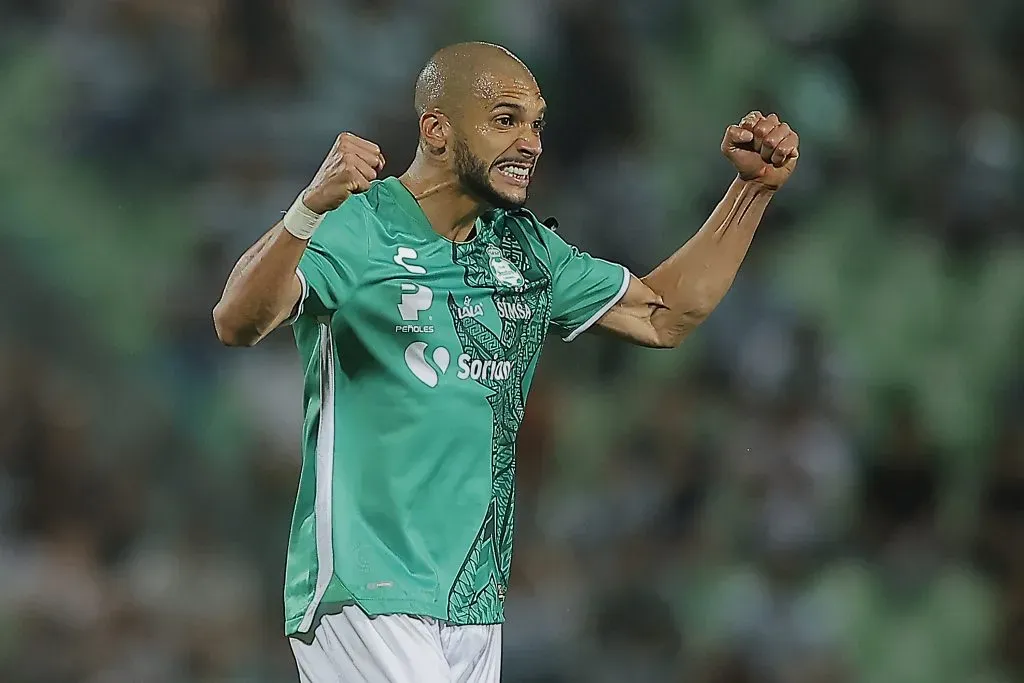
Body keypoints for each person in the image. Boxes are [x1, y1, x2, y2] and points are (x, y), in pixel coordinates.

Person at [213, 41, 799, 683]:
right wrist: (308, 209)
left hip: (473, 603)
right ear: (436, 130)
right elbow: (237, 322)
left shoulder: (523, 251)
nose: (531, 142)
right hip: (367, 588)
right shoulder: (362, 226)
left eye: (537, 123)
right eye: (505, 120)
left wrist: (752, 192)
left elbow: (663, 316)